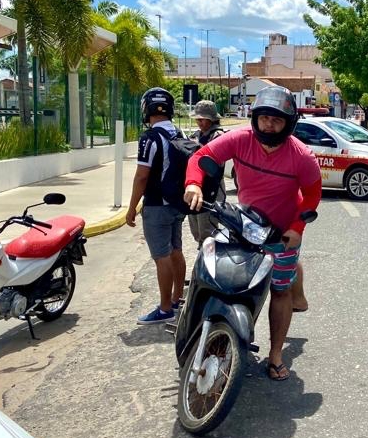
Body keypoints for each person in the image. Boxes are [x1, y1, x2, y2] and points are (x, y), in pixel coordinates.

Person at [184, 86, 322, 380]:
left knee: (279, 289)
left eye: (277, 119)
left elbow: (312, 194)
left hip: (281, 232)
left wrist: (297, 228)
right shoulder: (240, 139)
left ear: (288, 122)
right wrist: (193, 183)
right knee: (223, 275)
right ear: (255, 118)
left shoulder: (302, 156)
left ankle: (275, 354)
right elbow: (202, 157)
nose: (269, 124)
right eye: (264, 118)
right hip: (244, 223)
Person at [126, 87, 187, 324]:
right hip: (177, 204)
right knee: (176, 250)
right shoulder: (179, 133)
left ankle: (165, 309)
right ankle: (176, 298)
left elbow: (142, 176)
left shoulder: (149, 138)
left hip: (156, 206)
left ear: (146, 109)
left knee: (161, 256)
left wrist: (131, 208)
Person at [187, 100, 225, 247]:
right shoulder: (195, 135)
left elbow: (216, 161)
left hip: (211, 191)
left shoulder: (218, 136)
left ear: (212, 119)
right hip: (194, 188)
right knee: (196, 231)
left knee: (208, 234)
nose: (199, 123)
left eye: (203, 119)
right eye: (198, 119)